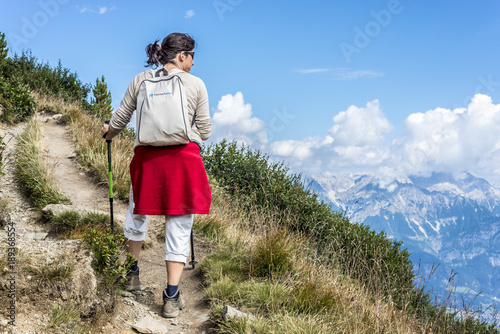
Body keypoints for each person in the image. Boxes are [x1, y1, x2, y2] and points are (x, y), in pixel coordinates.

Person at [100, 32, 212, 318]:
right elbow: (206, 131)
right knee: (178, 223)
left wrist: (108, 133)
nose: (194, 63)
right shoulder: (196, 84)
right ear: (182, 56)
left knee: (137, 214)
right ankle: (171, 298)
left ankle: (131, 275)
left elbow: (121, 118)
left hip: (147, 159)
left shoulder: (141, 80)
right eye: (192, 57)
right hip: (183, 160)